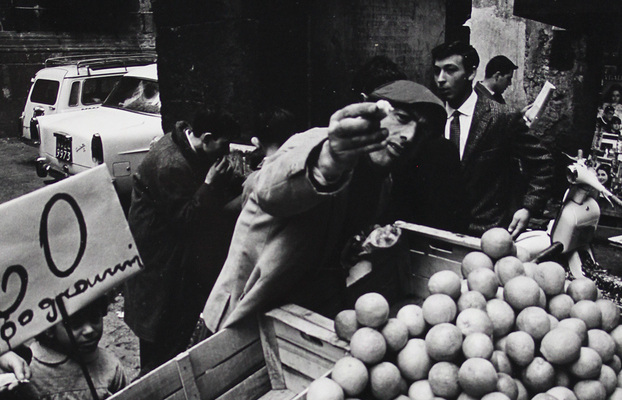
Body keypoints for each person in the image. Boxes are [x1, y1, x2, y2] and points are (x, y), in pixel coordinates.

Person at [201, 81, 467, 334]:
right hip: (244, 316)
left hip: (301, 320)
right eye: (401, 117)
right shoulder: (318, 142)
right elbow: (269, 191)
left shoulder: (382, 182)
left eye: (422, 131)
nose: (409, 136)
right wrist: (328, 161)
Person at [124, 109, 242, 373]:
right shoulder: (170, 165)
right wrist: (210, 184)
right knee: (160, 338)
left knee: (176, 328)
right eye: (223, 145)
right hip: (157, 264)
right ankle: (155, 389)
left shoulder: (191, 146)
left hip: (173, 259)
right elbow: (184, 220)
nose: (226, 152)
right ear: (207, 138)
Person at [432, 41, 553, 238]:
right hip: (437, 232)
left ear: (471, 73)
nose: (441, 79)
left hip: (486, 234)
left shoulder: (501, 117)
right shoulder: (430, 118)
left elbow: (542, 163)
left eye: (450, 70)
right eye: (437, 71)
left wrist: (528, 207)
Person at [22, 298, 127, 400]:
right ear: (48, 329)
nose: (89, 330)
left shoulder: (110, 367)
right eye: (76, 323)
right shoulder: (27, 371)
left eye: (95, 318)